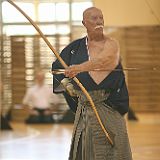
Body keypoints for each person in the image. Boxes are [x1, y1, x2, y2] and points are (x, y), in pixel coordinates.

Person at [52, 7, 132, 160]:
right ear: (84, 23)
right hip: (85, 109)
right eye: (94, 18)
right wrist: (70, 88)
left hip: (108, 107)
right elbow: (57, 70)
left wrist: (77, 68)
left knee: (115, 148)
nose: (99, 22)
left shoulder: (112, 44)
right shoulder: (74, 49)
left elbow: (102, 61)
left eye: (101, 18)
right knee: (85, 151)